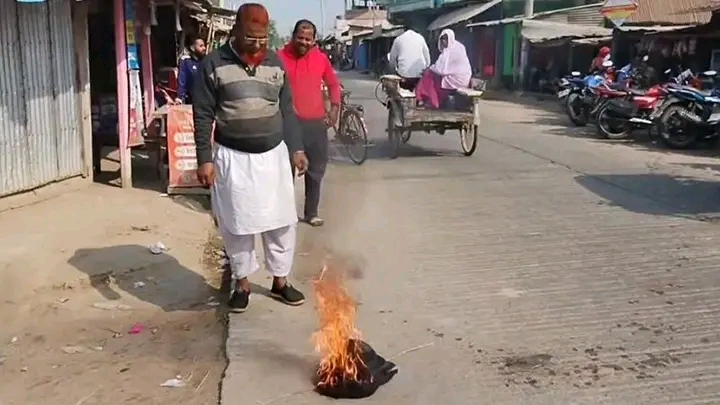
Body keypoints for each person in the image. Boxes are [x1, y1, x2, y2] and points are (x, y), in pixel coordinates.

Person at [192, 3, 308, 313]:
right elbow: (202, 114)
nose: (258, 45)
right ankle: (242, 284)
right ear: (235, 32)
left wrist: (296, 149)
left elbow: (287, 110)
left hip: (273, 157)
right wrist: (205, 158)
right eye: (251, 38)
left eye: (262, 39)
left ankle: (280, 281)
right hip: (234, 159)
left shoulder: (276, 64)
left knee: (282, 223)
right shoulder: (212, 65)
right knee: (237, 225)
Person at [278, 19, 341, 227]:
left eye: (308, 39)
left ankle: (311, 213)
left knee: (316, 171)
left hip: (315, 123)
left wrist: (334, 108)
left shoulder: (321, 59)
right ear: (293, 37)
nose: (304, 42)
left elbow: (333, 84)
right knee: (285, 171)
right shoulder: (279, 58)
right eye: (300, 38)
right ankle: (284, 213)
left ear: (314, 41)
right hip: (288, 123)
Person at [414, 28, 472, 110]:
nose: (444, 41)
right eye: (442, 39)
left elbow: (441, 70)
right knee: (431, 74)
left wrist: (429, 69)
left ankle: (427, 100)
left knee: (429, 75)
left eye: (446, 39)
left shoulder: (449, 50)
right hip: (464, 78)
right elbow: (441, 66)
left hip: (456, 79)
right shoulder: (459, 46)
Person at [176, 37, 207, 104]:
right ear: (192, 48)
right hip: (191, 100)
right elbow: (182, 80)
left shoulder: (207, 60)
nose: (204, 48)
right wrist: (179, 97)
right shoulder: (186, 61)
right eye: (201, 46)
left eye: (204, 46)